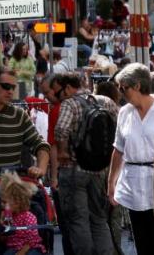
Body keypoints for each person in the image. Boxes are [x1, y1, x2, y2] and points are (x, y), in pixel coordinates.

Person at [53, 71, 120, 255]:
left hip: (74, 169)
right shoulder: (105, 102)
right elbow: (120, 128)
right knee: (99, 219)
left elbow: (60, 130)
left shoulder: (70, 104)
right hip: (101, 170)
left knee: (78, 220)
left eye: (58, 92)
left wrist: (63, 151)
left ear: (67, 87)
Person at [107, 63, 154, 255]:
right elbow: (118, 149)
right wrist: (111, 183)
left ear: (137, 86)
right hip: (134, 186)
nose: (120, 92)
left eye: (123, 87)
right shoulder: (125, 112)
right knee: (142, 242)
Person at [0, 67, 50, 175]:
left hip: (12, 185)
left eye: (13, 87)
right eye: (6, 87)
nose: (10, 91)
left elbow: (41, 145)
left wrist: (40, 169)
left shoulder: (19, 115)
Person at [0, 171, 46, 255]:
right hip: (13, 247)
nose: (2, 205)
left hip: (30, 246)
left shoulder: (28, 216)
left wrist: (21, 252)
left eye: (5, 202)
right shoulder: (7, 217)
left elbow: (33, 238)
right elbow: (2, 239)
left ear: (17, 202)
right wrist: (1, 224)